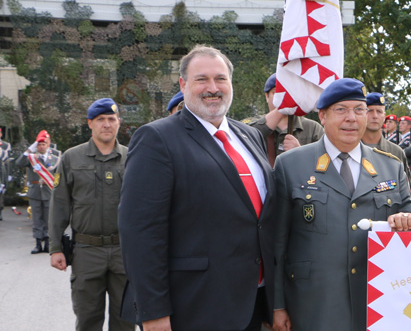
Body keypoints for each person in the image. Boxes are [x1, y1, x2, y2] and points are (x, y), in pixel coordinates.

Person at [118, 45, 276, 330]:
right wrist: (153, 312)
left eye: (220, 79)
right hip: (194, 306)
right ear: (183, 84)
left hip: (253, 301)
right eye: (202, 79)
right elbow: (140, 232)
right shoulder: (157, 138)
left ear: (231, 84)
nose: (212, 88)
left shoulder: (250, 135)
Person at [270, 78, 411, 331]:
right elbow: (277, 242)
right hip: (313, 303)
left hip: (378, 300)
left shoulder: (390, 166)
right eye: (341, 110)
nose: (352, 118)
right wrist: (276, 304)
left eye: (360, 110)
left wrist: (410, 221)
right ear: (323, 116)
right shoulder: (291, 165)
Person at [48, 98, 133, 331]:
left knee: (126, 320)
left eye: (111, 119)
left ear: (118, 123)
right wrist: (56, 247)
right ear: (90, 124)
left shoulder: (132, 157)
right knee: (87, 319)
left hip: (123, 252)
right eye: (100, 120)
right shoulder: (71, 158)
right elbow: (60, 205)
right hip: (87, 252)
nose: (106, 124)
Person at [246, 74, 324, 166]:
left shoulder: (313, 128)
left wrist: (300, 153)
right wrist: (283, 107)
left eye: (289, 93)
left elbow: (324, 163)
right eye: (277, 93)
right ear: (267, 96)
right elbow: (245, 139)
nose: (282, 97)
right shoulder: (251, 123)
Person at [16, 130, 59, 254]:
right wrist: (29, 150)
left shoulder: (55, 159)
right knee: (36, 218)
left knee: (48, 218)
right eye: (39, 144)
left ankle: (47, 243)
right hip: (35, 192)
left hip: (48, 191)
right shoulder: (31, 158)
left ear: (48, 144)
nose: (41, 146)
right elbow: (19, 163)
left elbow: (58, 176)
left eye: (43, 144)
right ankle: (38, 244)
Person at [363, 92, 411, 191]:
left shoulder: (396, 152)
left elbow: (408, 192)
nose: (375, 116)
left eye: (379, 111)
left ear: (384, 116)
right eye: (369, 111)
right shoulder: (350, 149)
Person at [0, 127, 11, 221]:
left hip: (2, 171)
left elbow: (7, 161)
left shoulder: (5, 145)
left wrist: (8, 175)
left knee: (1, 194)